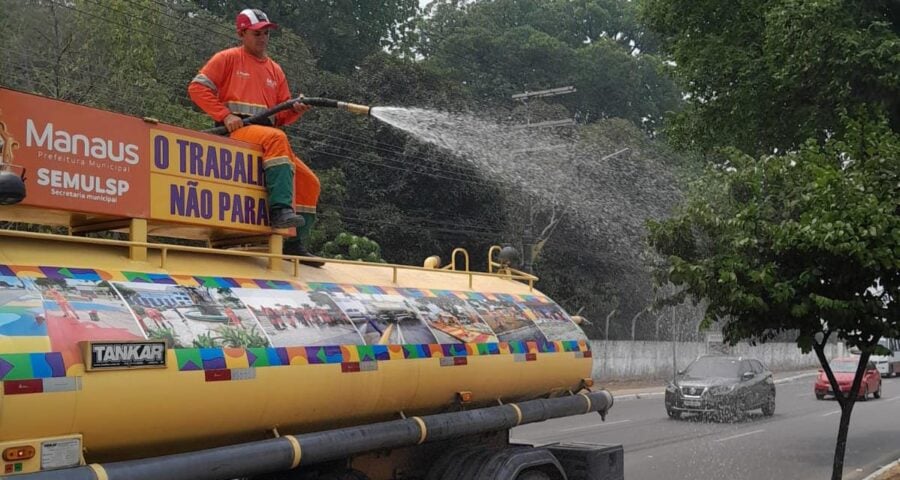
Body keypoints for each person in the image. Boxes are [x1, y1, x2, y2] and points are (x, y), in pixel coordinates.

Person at [188, 8, 324, 267]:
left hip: (267, 134)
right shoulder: (227, 58)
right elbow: (197, 88)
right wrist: (225, 114)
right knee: (276, 138)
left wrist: (295, 109)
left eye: (266, 33)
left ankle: (294, 246)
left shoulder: (275, 70)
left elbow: (281, 114)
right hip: (237, 131)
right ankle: (280, 211)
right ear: (242, 33)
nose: (263, 38)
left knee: (310, 182)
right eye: (257, 33)